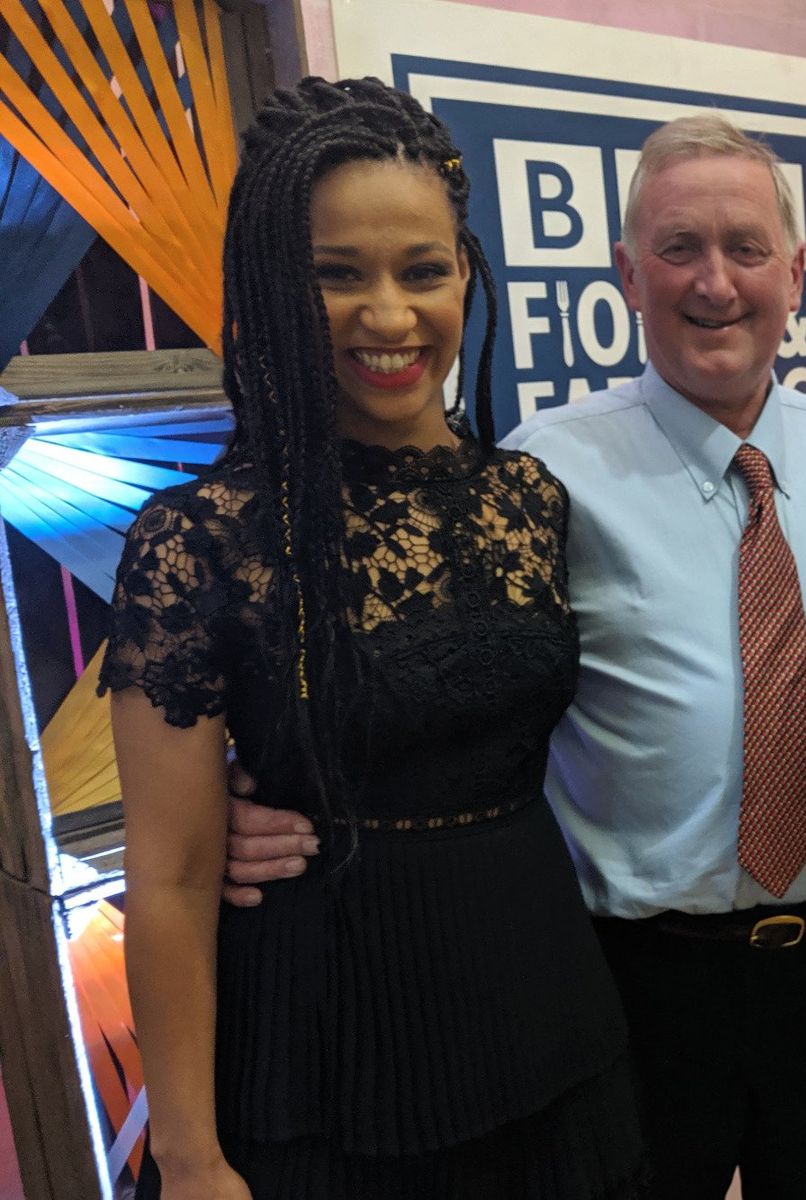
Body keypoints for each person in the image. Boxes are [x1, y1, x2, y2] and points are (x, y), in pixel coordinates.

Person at [224, 113, 806, 1200]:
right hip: (629, 980)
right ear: (628, 275)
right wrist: (241, 798)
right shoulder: (539, 476)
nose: (715, 284)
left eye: (746, 249)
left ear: (798, 271)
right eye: (678, 249)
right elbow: (410, 677)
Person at [103, 78, 644, 1199]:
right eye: (335, 276)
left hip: (544, 1013)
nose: (389, 316)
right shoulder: (200, 539)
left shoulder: (528, 498)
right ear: (269, 291)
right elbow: (170, 873)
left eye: (422, 270)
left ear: (465, 277)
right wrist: (193, 1156)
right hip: (320, 1050)